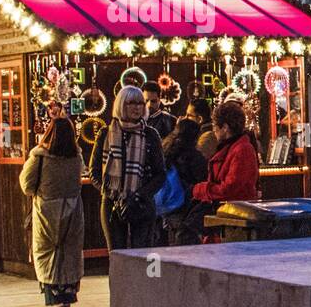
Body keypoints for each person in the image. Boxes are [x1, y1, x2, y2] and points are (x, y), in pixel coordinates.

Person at [20, 117, 85, 307]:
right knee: (69, 253)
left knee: (48, 252)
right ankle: (67, 299)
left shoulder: (39, 156)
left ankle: (53, 300)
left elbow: (27, 184)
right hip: (72, 209)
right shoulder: (77, 157)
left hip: (46, 211)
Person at [89, 85, 167, 250]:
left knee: (142, 256)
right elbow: (95, 172)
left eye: (140, 103)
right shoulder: (106, 134)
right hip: (112, 203)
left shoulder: (150, 134)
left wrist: (138, 196)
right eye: (131, 103)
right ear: (121, 105)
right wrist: (113, 194)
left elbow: (160, 174)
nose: (137, 107)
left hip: (142, 203)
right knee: (117, 257)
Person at [177, 100, 261, 241]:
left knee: (187, 233)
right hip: (225, 210)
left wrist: (199, 189)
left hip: (233, 213)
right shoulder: (232, 147)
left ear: (225, 128)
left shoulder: (241, 150)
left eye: (216, 126)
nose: (214, 130)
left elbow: (230, 188)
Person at [160, 118, 209, 246]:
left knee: (172, 245)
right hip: (186, 208)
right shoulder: (194, 157)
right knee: (186, 247)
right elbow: (203, 180)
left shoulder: (165, 151)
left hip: (167, 206)